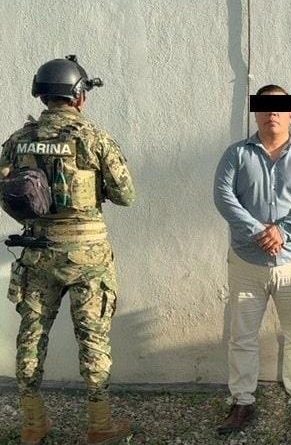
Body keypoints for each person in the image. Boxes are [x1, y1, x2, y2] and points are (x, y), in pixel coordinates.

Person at [0, 55, 135, 445]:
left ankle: (32, 424)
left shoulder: (18, 140)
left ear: (42, 95)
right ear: (79, 96)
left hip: (37, 253)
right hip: (88, 258)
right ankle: (99, 426)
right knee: (93, 339)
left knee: (31, 336)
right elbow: (125, 194)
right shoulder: (94, 138)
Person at [214, 84, 291, 433]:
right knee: (242, 337)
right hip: (247, 263)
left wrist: (283, 231)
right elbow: (223, 196)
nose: (272, 113)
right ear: (256, 113)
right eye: (264, 107)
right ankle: (242, 402)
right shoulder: (237, 154)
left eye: (279, 107)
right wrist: (258, 231)